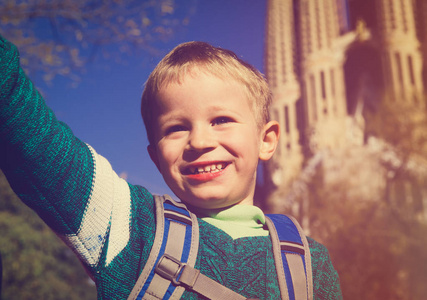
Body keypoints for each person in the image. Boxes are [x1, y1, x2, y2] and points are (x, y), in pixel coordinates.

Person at [0, 35, 342, 299]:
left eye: (221, 119)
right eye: (176, 128)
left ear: (266, 140)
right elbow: (34, 139)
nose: (200, 141)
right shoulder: (131, 229)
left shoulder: (310, 262)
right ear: (155, 156)